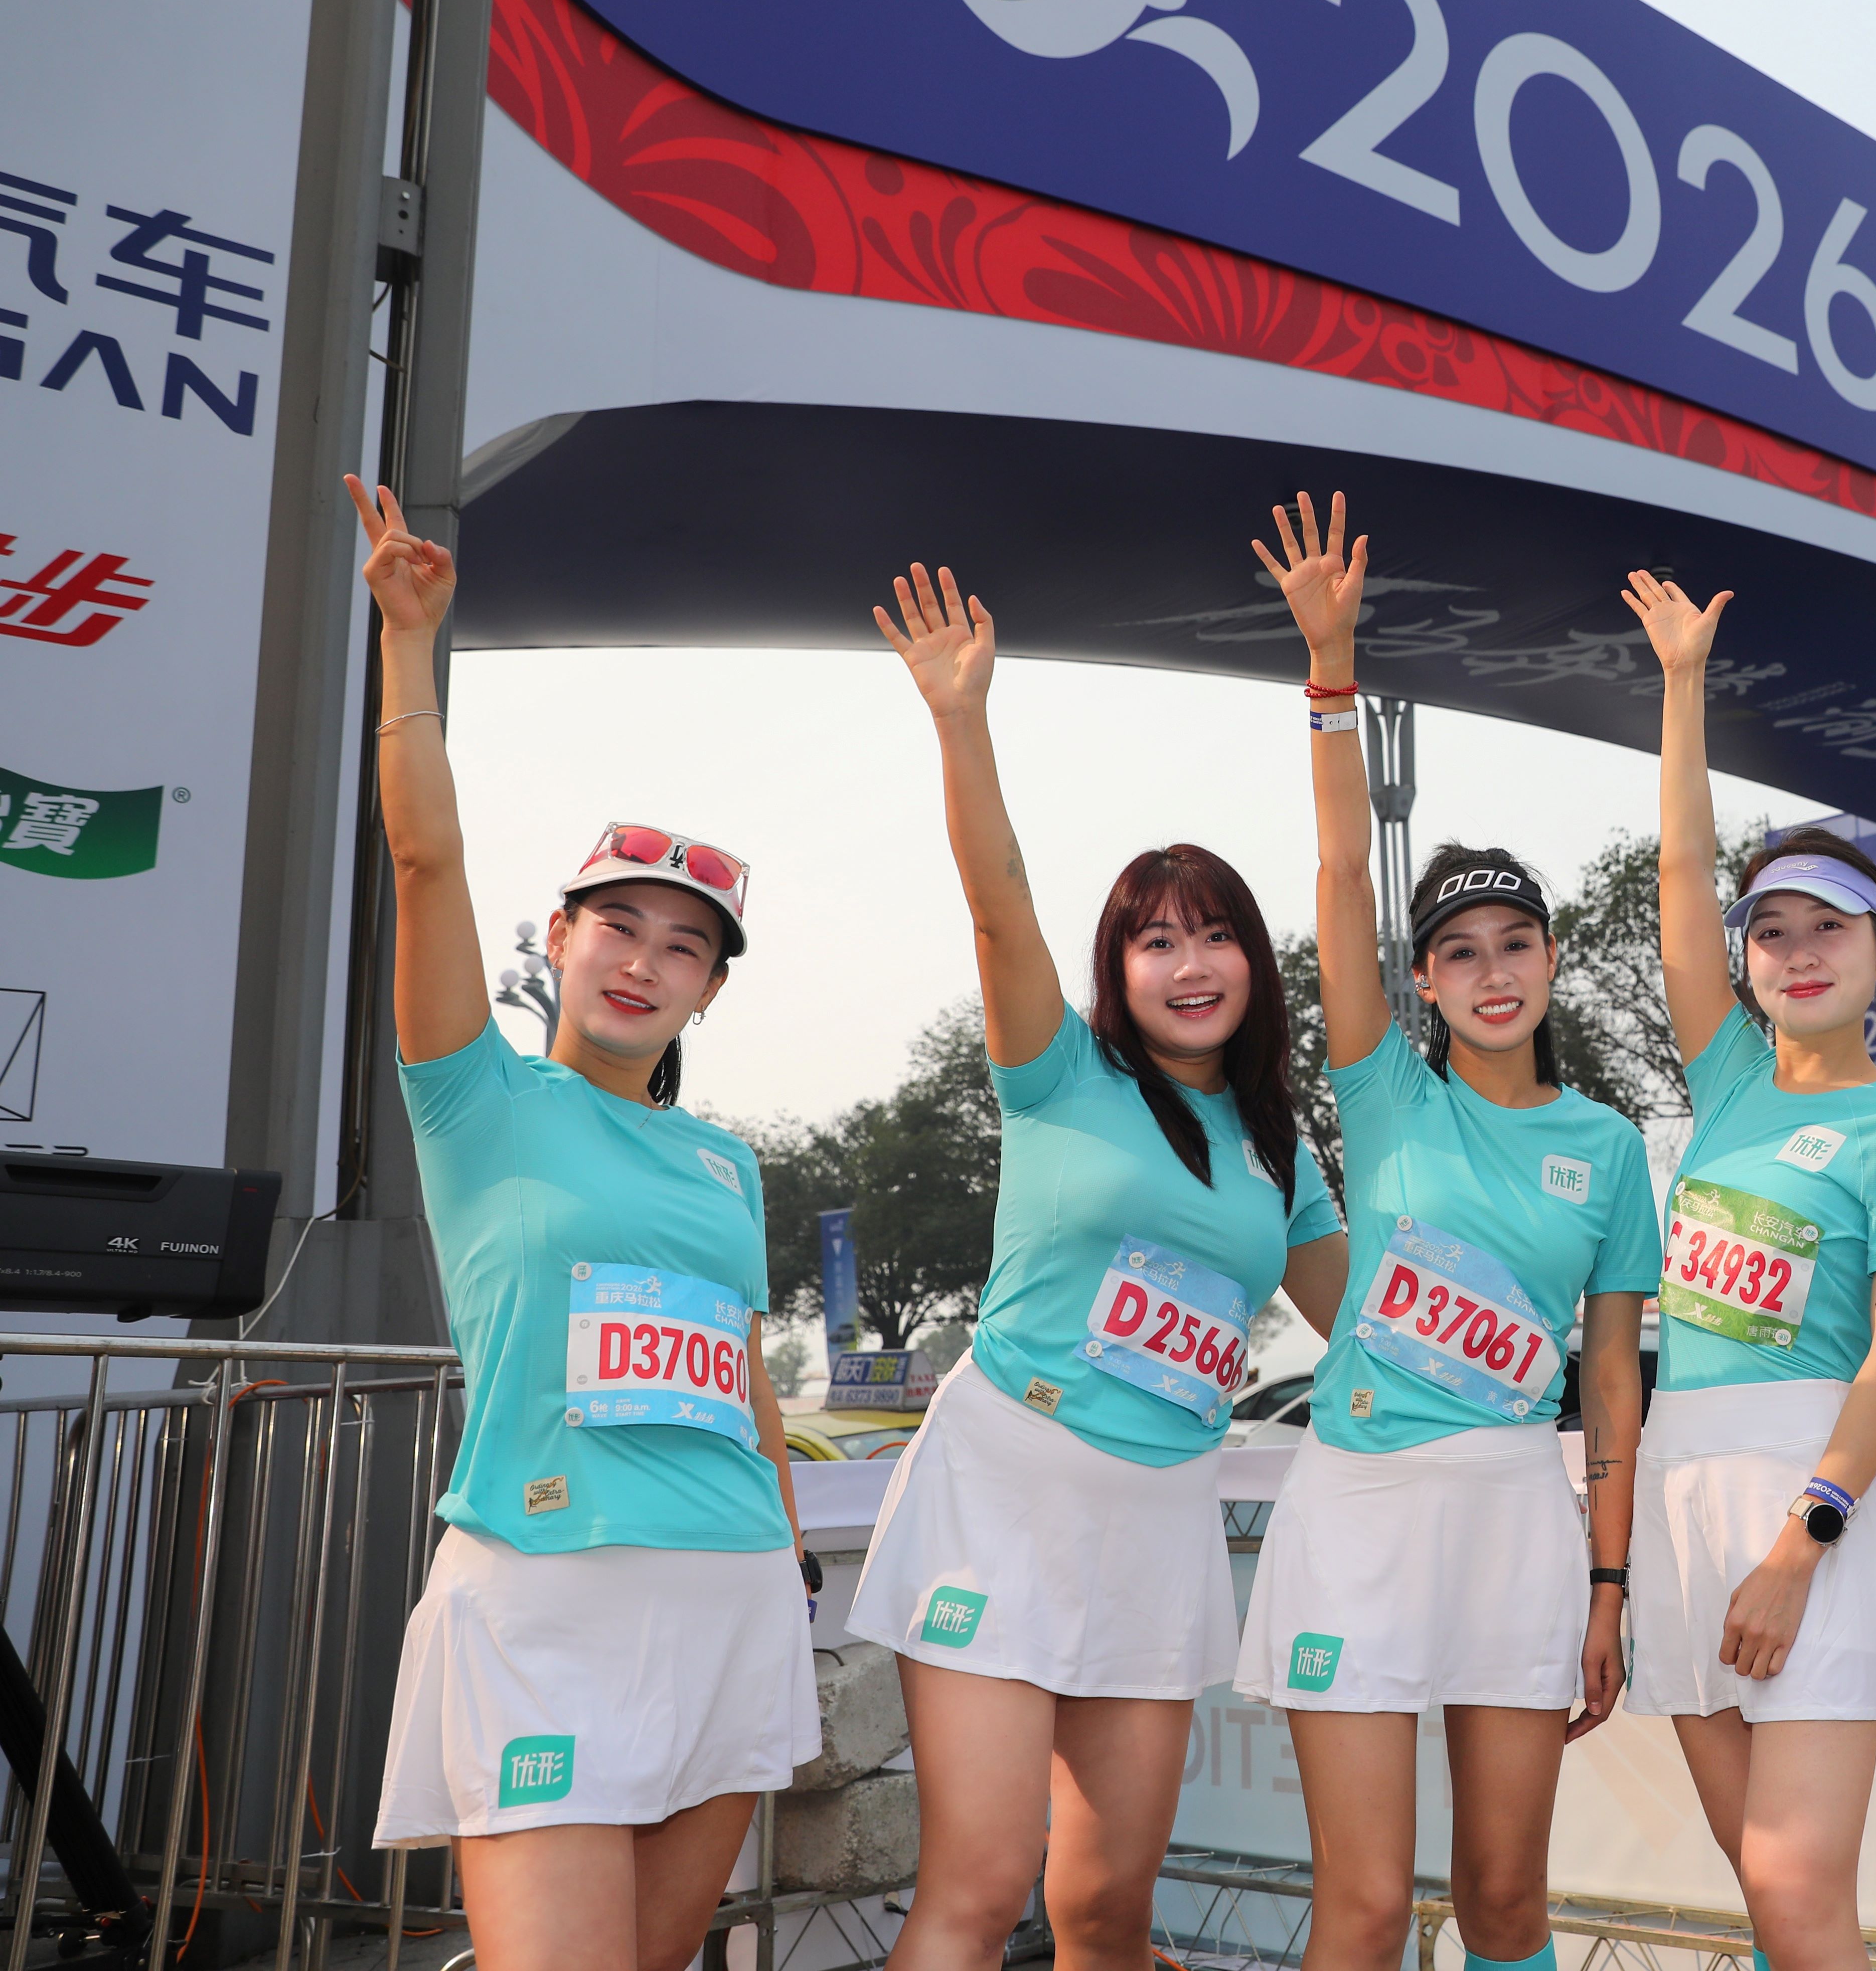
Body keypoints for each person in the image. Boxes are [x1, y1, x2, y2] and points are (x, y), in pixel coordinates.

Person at [347, 476, 820, 1971]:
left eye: (685, 948)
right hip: (541, 1597)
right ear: (557, 937)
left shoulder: (726, 1165)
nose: (643, 961)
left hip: (731, 1591)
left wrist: (788, 1560)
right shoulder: (475, 1094)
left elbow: (745, 1383)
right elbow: (424, 860)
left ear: (709, 993)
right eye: (618, 923)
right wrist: (407, 642)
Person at [855, 563, 1347, 1971]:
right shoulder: (1058, 1071)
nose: (1191, 964)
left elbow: (1376, 1334)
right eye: (1157, 939)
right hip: (1004, 1487)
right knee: (979, 1889)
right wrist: (962, 721)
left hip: (1160, 1519)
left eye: (1216, 936)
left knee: (1108, 1913)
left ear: (1255, 963)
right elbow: (998, 902)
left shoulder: (1280, 1151)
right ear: (1118, 968)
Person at [1236, 495, 1658, 1971]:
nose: (1492, 973)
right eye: (1459, 954)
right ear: (1421, 983)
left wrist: (1608, 1583)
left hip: (1518, 1520)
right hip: (1359, 1507)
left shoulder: (1611, 1149)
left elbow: (1614, 1381)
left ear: (1552, 959)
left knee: (1507, 1904)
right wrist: (1330, 678)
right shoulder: (1387, 1093)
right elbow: (1340, 881)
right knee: (1361, 1906)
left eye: (1515, 944)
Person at [1618, 571, 1876, 1971]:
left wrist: (1799, 1541)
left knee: (1794, 1885)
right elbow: (1676, 876)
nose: (1798, 953)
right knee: (1765, 1901)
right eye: (1773, 930)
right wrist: (1682, 686)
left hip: (1804, 1510)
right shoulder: (1726, 1081)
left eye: (1830, 928)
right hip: (1678, 1499)